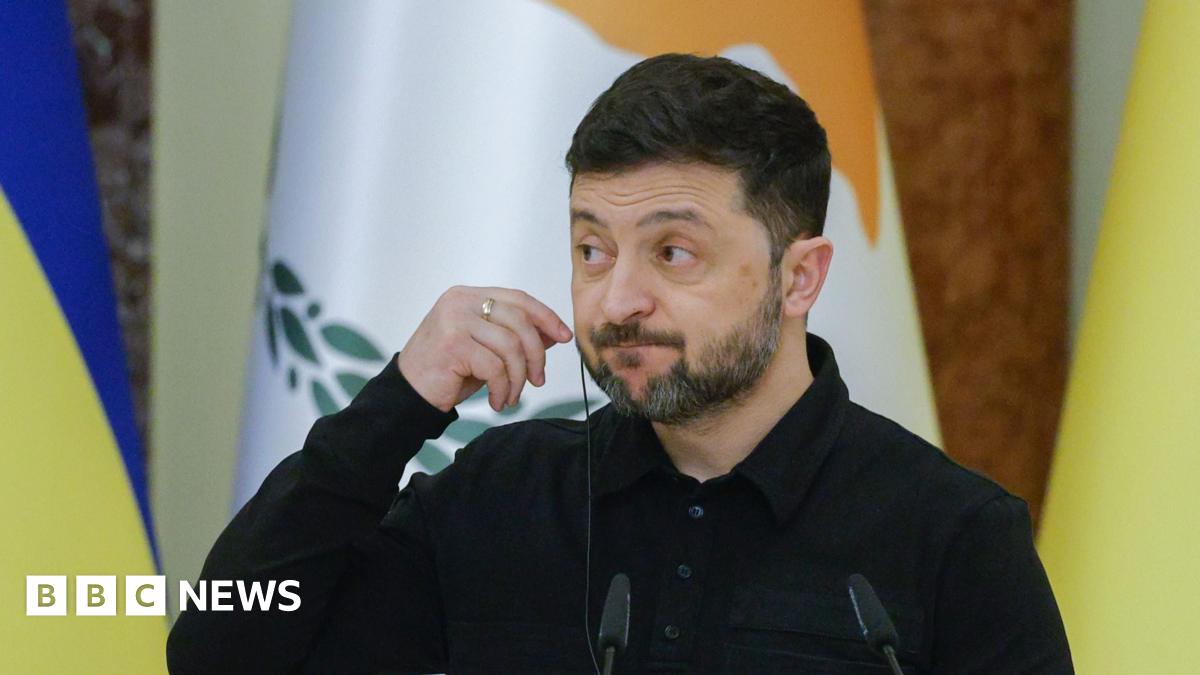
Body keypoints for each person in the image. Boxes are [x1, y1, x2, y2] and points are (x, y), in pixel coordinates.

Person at [167, 54, 1072, 674]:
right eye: (592, 249)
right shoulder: (499, 499)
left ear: (800, 277)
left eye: (673, 252)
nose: (617, 299)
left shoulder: (953, 536)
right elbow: (223, 650)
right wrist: (398, 403)